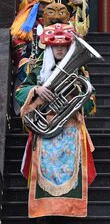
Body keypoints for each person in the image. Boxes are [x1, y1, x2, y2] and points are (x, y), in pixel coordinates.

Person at [15, 23, 96, 219]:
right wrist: (36, 90)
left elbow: (90, 104)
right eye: (55, 45)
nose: (59, 48)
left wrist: (78, 95)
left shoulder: (80, 71)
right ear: (49, 47)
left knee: (73, 184)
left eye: (64, 45)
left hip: (71, 133)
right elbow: (20, 92)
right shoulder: (36, 67)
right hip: (45, 133)